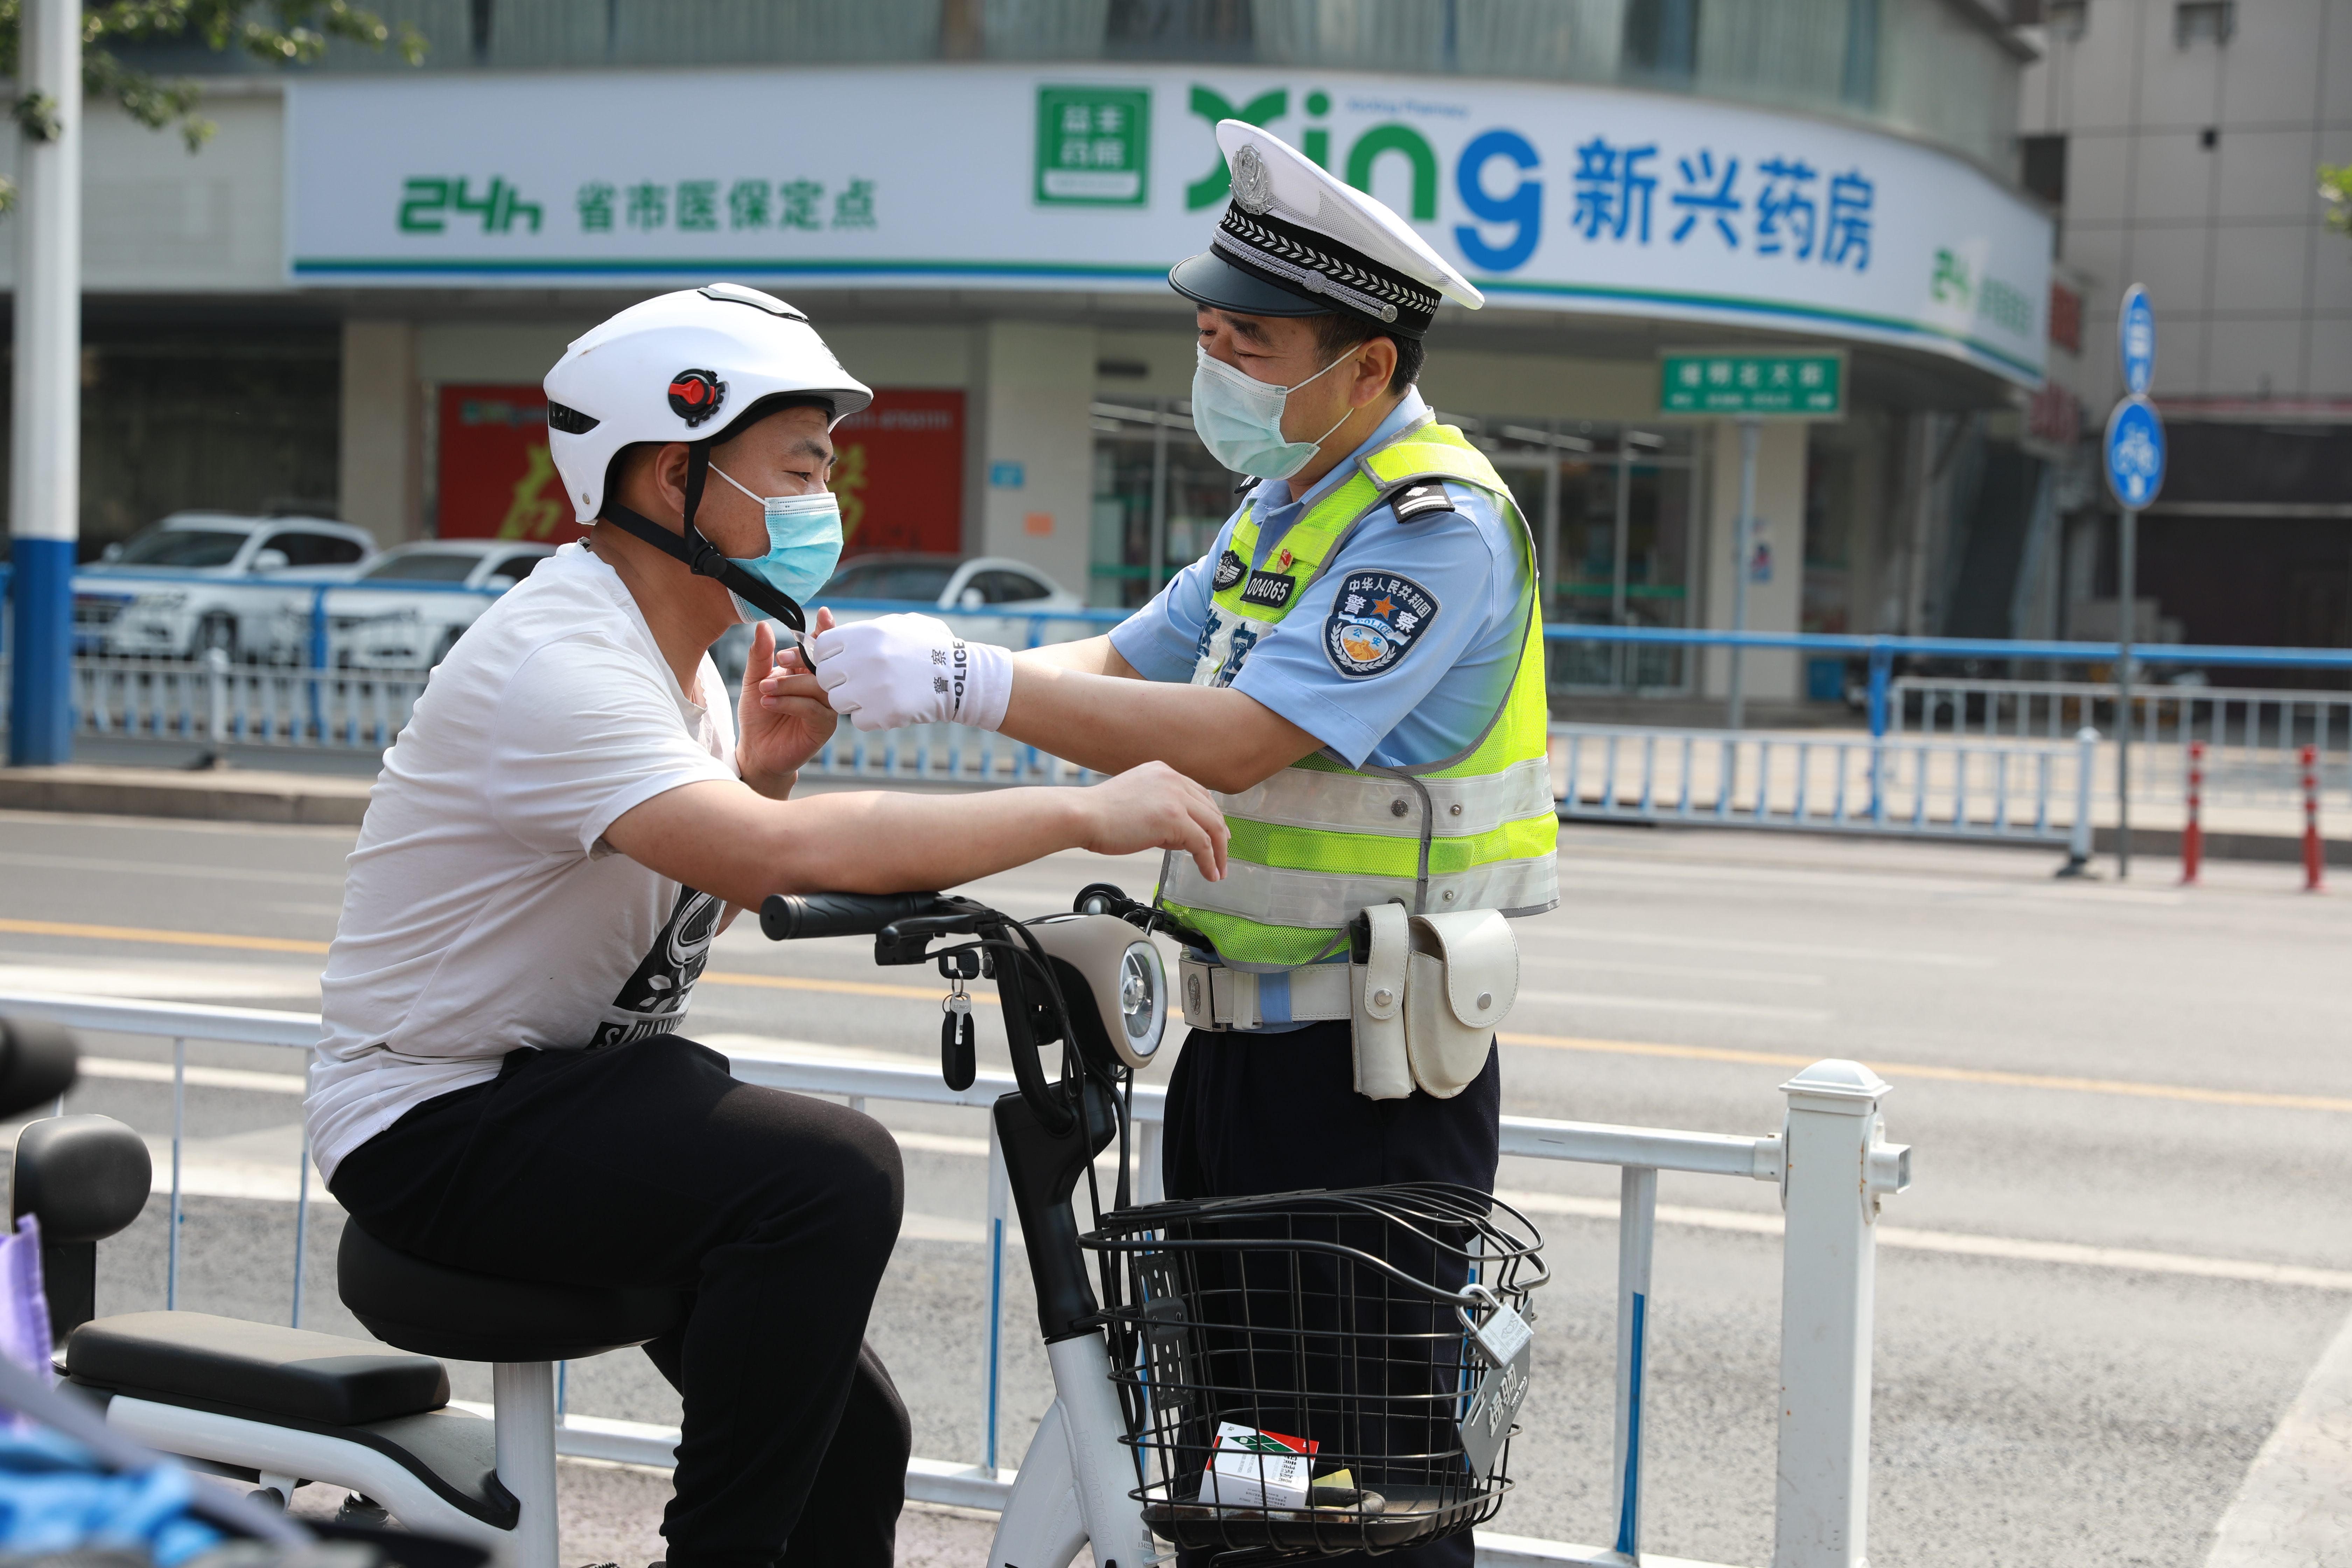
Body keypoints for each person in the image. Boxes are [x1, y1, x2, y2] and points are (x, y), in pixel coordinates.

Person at [304, 283, 1227, 1568]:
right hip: (433, 1121)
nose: (821, 503)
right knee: (827, 1176)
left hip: (558, 1095)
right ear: (676, 476)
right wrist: (1080, 811)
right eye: (797, 467)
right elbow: (767, 860)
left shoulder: (668, 664)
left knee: (857, 1438)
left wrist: (763, 768)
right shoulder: (561, 661)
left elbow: (707, 884)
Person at [793, 128, 1556, 1565]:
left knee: (1362, 1486)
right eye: (1208, 335)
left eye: (1251, 344)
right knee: (1246, 1468)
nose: (1220, 369)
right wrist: (914, 677)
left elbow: (1239, 736)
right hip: (1231, 1057)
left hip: (1370, 1073)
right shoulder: (1287, 507)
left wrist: (968, 681)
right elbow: (1128, 667)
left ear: (1371, 366)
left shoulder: (1431, 526)